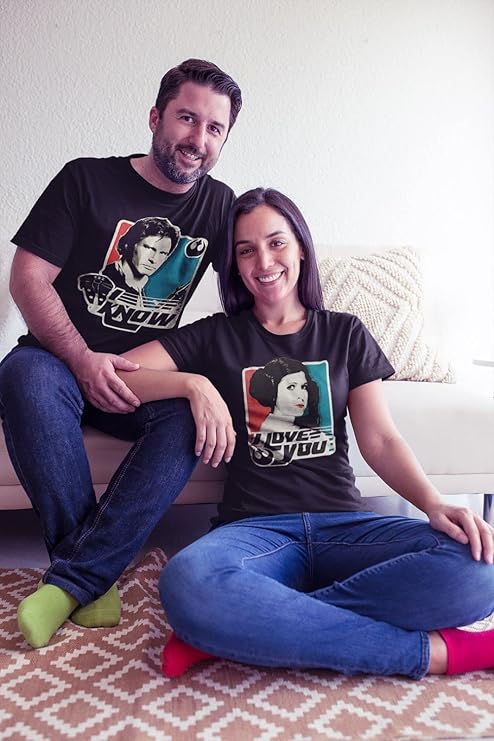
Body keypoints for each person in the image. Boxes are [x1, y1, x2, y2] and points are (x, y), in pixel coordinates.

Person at [115, 187, 494, 680]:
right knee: (189, 581)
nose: (264, 261)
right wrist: (192, 384)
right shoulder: (215, 335)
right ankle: (437, 654)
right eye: (246, 250)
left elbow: (380, 440)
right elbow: (120, 375)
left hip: (346, 528)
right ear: (235, 266)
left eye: (276, 243)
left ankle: (241, 628)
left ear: (300, 249)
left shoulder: (345, 332)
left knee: (478, 568)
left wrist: (434, 503)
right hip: (256, 532)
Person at [0, 58, 242, 649]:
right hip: (57, 361)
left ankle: (74, 580)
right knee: (22, 378)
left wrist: (207, 378)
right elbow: (28, 278)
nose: (198, 139)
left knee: (186, 417)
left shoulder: (219, 205)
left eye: (214, 128)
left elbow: (248, 295)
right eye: (187, 118)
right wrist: (82, 359)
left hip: (142, 372)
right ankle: (91, 575)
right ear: (156, 118)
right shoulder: (85, 180)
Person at [101, 216, 181, 309]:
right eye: (149, 248)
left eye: (163, 253)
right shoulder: (104, 279)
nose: (154, 259)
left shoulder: (140, 291)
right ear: (129, 244)